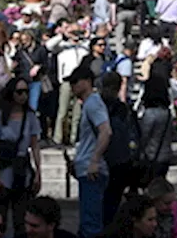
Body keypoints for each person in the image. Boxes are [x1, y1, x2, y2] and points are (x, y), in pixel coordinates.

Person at [0, 77, 41, 234]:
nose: (23, 96)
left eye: (26, 92)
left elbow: (35, 145)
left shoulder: (30, 117)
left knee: (21, 219)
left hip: (22, 170)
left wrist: (38, 172)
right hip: (4, 169)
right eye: (19, 92)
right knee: (0, 217)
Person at [71, 64, 112, 238]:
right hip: (87, 167)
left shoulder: (93, 103)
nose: (72, 86)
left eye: (75, 81)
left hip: (92, 170)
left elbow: (106, 130)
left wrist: (94, 160)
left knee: (91, 224)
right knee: (88, 222)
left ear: (87, 81)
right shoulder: (89, 104)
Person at [138, 75, 176, 185]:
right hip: (165, 156)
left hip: (150, 157)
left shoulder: (150, 114)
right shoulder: (168, 113)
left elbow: (144, 136)